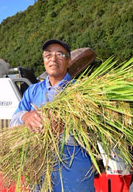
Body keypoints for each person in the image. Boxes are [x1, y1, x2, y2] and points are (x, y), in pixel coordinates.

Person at [10, 39, 95, 191]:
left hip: (74, 177)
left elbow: (94, 132)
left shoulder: (81, 90)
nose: (53, 59)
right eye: (48, 55)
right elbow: (13, 122)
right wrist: (26, 117)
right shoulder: (33, 90)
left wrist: (65, 129)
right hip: (39, 175)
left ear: (68, 61)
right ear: (44, 61)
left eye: (59, 54)